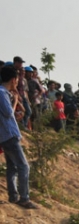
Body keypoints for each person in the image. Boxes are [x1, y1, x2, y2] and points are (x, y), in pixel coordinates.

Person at [0, 66, 37, 209]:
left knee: (12, 167)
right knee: (23, 166)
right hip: (9, 135)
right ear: (13, 79)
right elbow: (8, 113)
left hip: (5, 135)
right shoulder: (2, 93)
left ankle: (13, 196)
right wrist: (15, 100)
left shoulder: (3, 93)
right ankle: (24, 197)